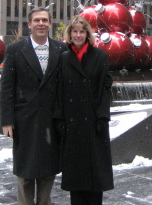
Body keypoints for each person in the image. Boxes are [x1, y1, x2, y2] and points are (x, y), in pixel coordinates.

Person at [0, 7, 67, 205]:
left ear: (50, 24)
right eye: (37, 20)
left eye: (44, 20)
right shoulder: (15, 50)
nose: (41, 24)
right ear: (29, 25)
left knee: (48, 171)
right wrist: (7, 120)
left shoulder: (60, 49)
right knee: (25, 172)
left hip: (51, 120)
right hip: (24, 120)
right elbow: (6, 88)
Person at [54, 15, 114, 205]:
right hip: (72, 124)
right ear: (69, 35)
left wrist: (102, 117)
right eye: (74, 31)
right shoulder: (63, 58)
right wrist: (59, 119)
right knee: (76, 178)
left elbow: (105, 89)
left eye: (81, 31)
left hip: (94, 123)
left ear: (87, 34)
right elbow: (59, 90)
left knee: (95, 177)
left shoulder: (100, 56)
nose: (78, 35)